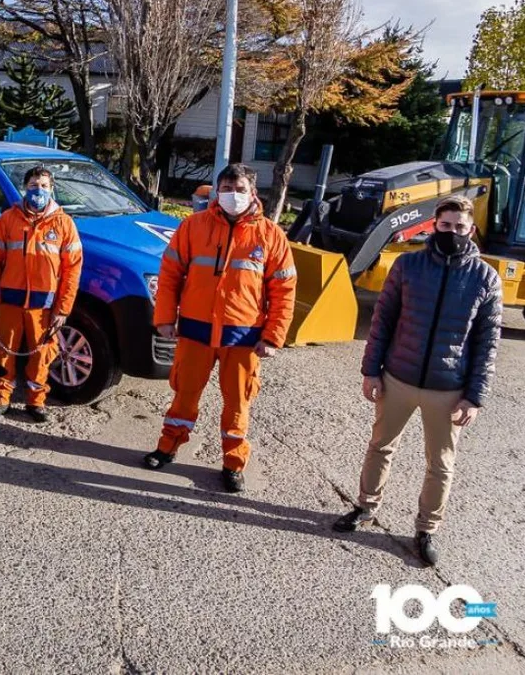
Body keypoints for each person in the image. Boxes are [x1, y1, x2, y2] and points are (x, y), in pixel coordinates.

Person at [333, 195, 501, 566]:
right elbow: (383, 321)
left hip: (449, 389)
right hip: (399, 378)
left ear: (471, 230)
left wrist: (474, 396)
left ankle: (426, 530)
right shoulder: (408, 266)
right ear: (434, 226)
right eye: (445, 225)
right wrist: (370, 370)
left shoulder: (485, 277)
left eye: (460, 227)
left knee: (440, 464)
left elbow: (488, 342)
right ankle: (365, 507)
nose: (452, 232)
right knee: (380, 446)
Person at [144, 164, 296, 493]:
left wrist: (272, 335)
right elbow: (170, 274)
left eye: (240, 190)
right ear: (216, 191)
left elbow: (284, 290)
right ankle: (167, 447)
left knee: (238, 404)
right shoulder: (192, 227)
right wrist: (166, 318)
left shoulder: (271, 235)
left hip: (242, 337)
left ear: (253, 193)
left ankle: (233, 463)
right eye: (226, 189)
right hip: (196, 331)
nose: (233, 196)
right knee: (184, 394)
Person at [0, 165, 83, 424]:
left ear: (52, 189)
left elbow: (72, 271)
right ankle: (1, 398)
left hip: (44, 306)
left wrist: (64, 309)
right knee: (3, 351)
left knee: (42, 355)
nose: (39, 190)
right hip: (11, 301)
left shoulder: (64, 224)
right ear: (25, 187)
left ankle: (36, 402)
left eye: (44, 186)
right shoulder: (8, 220)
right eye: (34, 185)